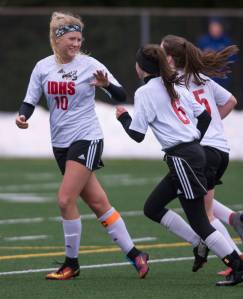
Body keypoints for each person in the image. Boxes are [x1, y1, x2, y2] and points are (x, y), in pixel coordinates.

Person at [15, 11, 149, 280]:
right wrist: (22, 116)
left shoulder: (89, 65)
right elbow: (30, 99)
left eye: (79, 39)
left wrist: (106, 84)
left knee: (65, 199)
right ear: (57, 38)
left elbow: (122, 94)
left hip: (87, 138)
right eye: (71, 39)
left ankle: (71, 263)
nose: (76, 44)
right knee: (99, 204)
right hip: (61, 143)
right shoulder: (43, 67)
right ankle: (136, 254)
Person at [116, 44, 243, 286]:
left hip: (183, 158)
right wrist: (193, 143)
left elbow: (137, 134)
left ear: (141, 68)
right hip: (190, 155)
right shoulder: (173, 84)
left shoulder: (146, 92)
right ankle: (204, 245)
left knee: (200, 220)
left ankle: (238, 266)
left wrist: (123, 118)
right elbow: (205, 117)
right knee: (152, 207)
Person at [160, 34, 243, 276]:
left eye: (161, 52)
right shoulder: (200, 77)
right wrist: (213, 124)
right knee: (203, 203)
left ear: (170, 58)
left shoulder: (173, 82)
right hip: (220, 149)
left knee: (204, 214)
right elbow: (231, 101)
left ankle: (239, 262)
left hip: (201, 151)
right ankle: (233, 220)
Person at [197, 18, 235, 88]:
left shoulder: (227, 41)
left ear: (221, 28)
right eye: (212, 27)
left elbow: (233, 58)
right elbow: (197, 57)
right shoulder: (203, 41)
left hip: (223, 77)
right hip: (207, 76)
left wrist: (219, 56)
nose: (215, 29)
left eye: (216, 27)